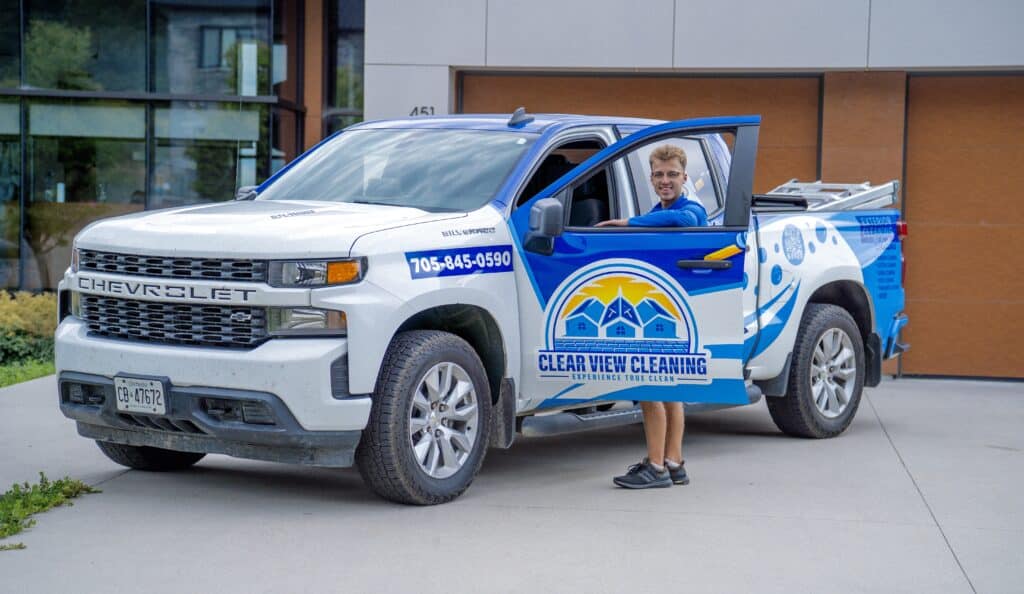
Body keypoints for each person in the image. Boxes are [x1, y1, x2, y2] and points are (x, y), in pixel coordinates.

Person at [596, 144, 707, 489]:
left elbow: (682, 221)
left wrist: (628, 223)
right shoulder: (656, 210)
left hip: (674, 310)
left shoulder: (690, 210)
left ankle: (655, 468)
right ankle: (674, 462)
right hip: (665, 306)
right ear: (651, 177)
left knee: (649, 387)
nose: (665, 181)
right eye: (659, 174)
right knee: (671, 390)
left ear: (685, 177)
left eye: (672, 174)